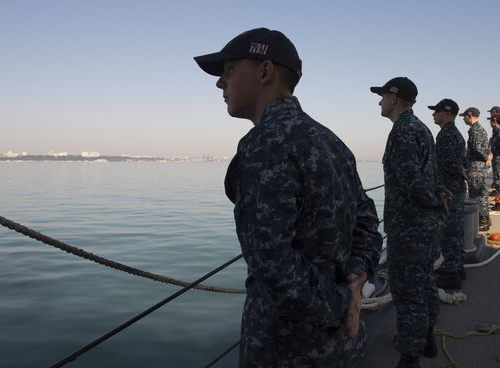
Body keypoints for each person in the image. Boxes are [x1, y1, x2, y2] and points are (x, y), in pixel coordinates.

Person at [194, 28, 383, 367]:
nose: (220, 83)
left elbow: (271, 262)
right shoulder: (331, 142)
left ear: (265, 72)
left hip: (285, 350)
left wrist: (343, 303)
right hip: (345, 346)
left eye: (228, 70)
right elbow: (368, 223)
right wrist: (354, 284)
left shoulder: (264, 145)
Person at [370, 77, 445, 368]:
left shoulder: (403, 131)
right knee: (425, 284)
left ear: (393, 96)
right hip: (425, 225)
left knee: (408, 292)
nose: (379, 102)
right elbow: (430, 177)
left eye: (381, 96)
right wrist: (438, 199)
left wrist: (435, 200)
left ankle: (409, 357)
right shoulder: (422, 129)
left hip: (409, 227)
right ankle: (426, 340)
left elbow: (413, 181)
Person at [429, 99, 466, 291]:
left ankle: (452, 275)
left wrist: (441, 189)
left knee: (449, 233)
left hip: (450, 191)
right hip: (457, 189)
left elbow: (445, 164)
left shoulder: (446, 135)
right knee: (456, 231)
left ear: (447, 113)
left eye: (436, 111)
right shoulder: (453, 133)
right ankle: (457, 268)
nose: (433, 114)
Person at [461, 107, 491, 231]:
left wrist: (486, 157)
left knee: (477, 195)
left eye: (465, 116)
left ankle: (482, 220)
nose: (463, 119)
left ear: (470, 115)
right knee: (481, 194)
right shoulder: (478, 129)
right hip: (478, 167)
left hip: (476, 168)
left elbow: (479, 149)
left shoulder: (475, 130)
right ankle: (485, 219)